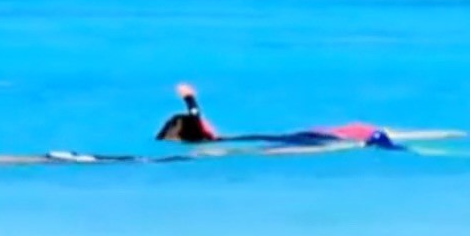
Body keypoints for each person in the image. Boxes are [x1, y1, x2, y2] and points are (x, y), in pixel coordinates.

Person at [154, 84, 403, 150]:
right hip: (275, 140)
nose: (208, 122)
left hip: (271, 140)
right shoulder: (208, 141)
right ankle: (370, 141)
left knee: (319, 135)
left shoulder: (209, 142)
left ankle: (363, 136)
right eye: (202, 123)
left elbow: (197, 122)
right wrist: (189, 98)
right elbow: (197, 118)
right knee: (320, 137)